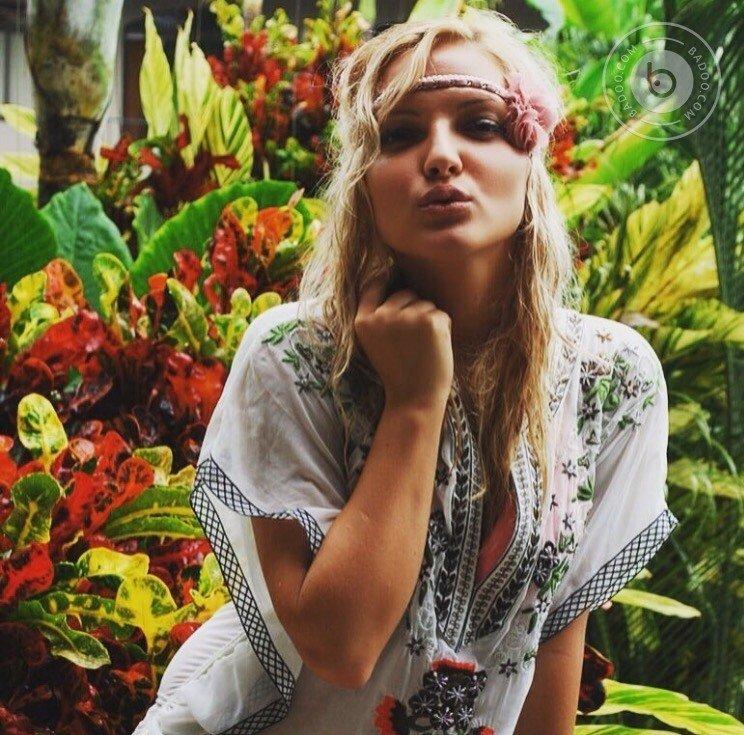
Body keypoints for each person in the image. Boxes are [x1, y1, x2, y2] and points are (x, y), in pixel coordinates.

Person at [132, 8, 678, 735]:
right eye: (399, 134)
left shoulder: (613, 381)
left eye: (479, 124)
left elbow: (550, 640)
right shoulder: (293, 357)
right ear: (364, 180)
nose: (441, 156)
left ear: (531, 157)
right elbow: (342, 647)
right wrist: (415, 402)